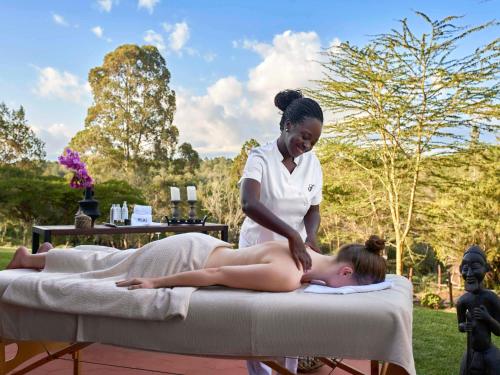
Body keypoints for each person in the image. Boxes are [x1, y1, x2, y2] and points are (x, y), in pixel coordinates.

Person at [239, 89, 324, 374]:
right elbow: (249, 203)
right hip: (257, 251)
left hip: (294, 254)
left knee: (291, 321)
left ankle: (288, 371)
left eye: (313, 140)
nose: (307, 144)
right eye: (303, 135)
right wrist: (293, 235)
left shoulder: (312, 163)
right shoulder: (259, 157)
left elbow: (313, 209)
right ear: (287, 125)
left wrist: (309, 237)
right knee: (256, 322)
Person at [6, 234, 386, 293]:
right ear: (346, 271)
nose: (346, 292)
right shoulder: (289, 274)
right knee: (114, 267)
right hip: (189, 256)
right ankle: (31, 259)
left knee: (116, 258)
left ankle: (44, 255)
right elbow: (216, 275)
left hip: (203, 245)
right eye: (352, 287)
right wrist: (159, 284)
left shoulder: (302, 248)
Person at [456, 245, 500, 375]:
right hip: (471, 352)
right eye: (465, 268)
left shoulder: (491, 298)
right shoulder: (462, 301)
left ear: (485, 269)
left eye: (475, 267)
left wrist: (487, 318)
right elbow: (460, 325)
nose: (469, 274)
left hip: (488, 351)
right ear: (460, 270)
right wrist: (464, 326)